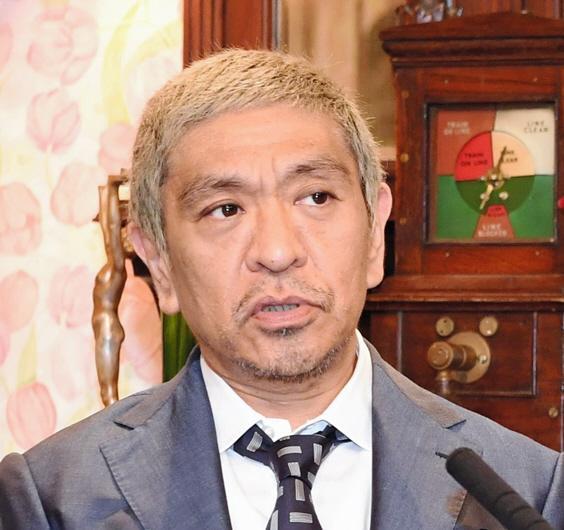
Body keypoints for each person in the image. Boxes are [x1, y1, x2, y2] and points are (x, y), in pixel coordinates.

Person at [0, 49, 562, 530]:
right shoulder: (51, 501)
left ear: (375, 233)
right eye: (225, 209)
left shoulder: (528, 490)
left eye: (316, 197)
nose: (276, 251)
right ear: (160, 264)